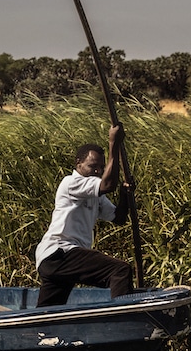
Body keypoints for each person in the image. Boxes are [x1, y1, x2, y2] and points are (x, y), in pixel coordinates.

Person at [34, 125, 132, 307]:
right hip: (59, 252)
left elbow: (118, 218)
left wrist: (125, 195)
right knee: (120, 270)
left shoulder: (95, 195)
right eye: (92, 166)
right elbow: (108, 184)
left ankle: (32, 332)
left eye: (101, 168)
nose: (97, 171)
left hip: (57, 261)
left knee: (48, 313)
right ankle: (123, 318)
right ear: (78, 164)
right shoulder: (72, 183)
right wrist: (114, 144)